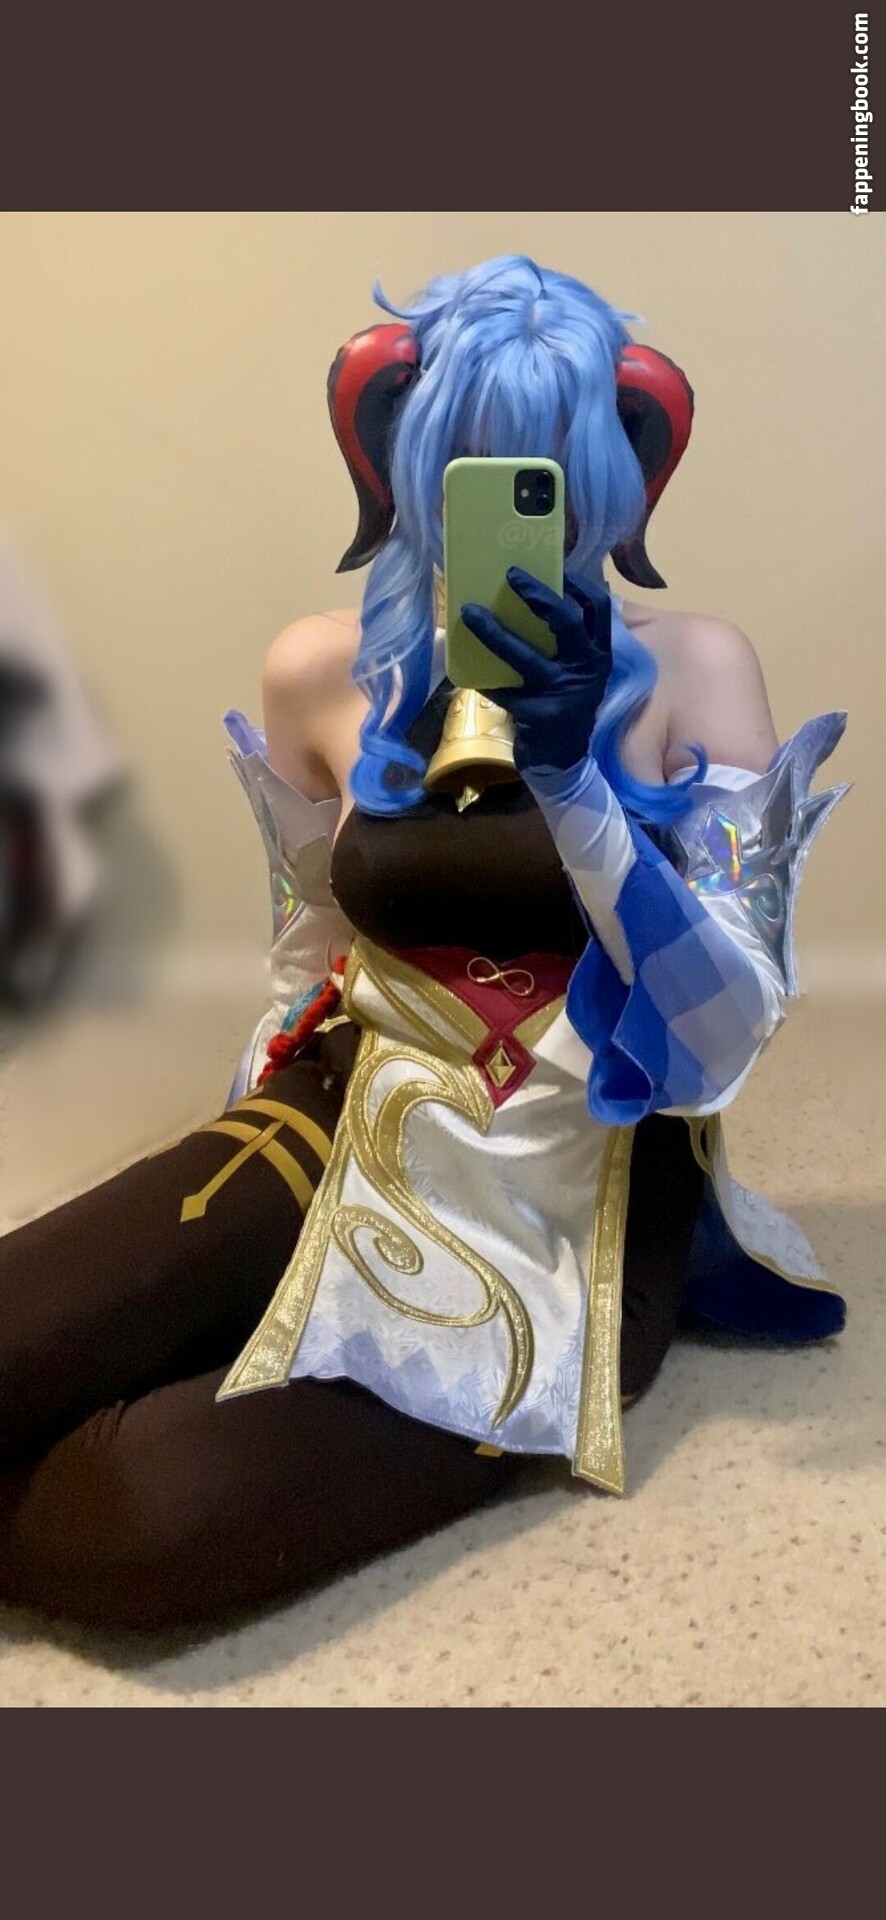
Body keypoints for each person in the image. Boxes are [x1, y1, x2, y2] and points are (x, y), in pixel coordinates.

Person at [0, 256, 849, 1633]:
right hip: (340, 1105)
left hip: (566, 1192)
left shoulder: (698, 671)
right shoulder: (321, 669)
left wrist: (575, 783)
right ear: (397, 459)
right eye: (470, 468)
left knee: (120, 1523)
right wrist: (202, 1225)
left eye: (547, 475)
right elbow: (310, 946)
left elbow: (718, 1037)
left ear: (618, 474)